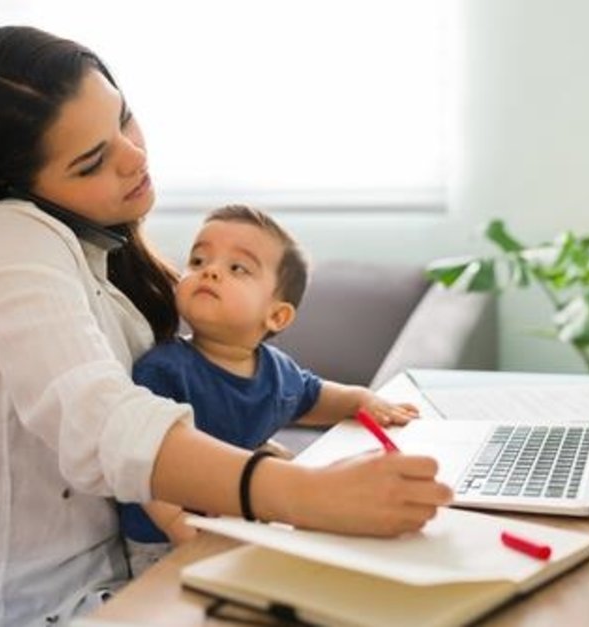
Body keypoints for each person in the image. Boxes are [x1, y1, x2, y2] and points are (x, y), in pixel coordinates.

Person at [0, 25, 452, 625]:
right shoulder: (2, 237)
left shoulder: (99, 254)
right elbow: (100, 421)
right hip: (47, 609)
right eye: (94, 161)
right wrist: (306, 494)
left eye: (123, 119)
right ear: (19, 190)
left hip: (139, 575)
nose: (135, 156)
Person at [119, 204, 420, 575]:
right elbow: (146, 459)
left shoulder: (276, 371)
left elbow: (315, 397)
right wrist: (175, 524)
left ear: (276, 315)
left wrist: (362, 400)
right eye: (198, 260)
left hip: (243, 517)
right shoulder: (163, 369)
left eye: (237, 268)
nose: (209, 271)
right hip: (163, 538)